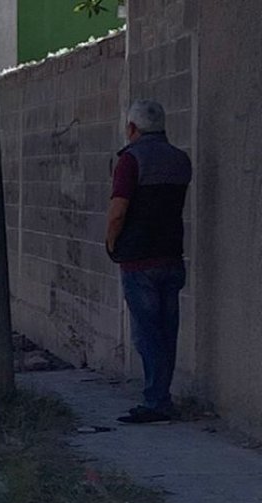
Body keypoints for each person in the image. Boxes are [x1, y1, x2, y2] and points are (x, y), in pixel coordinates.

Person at [106, 100, 193, 424]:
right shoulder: (181, 160)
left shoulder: (130, 160)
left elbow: (118, 211)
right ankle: (162, 396)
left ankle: (156, 401)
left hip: (139, 260)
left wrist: (112, 243)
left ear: (132, 129)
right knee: (167, 331)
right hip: (172, 256)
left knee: (146, 334)